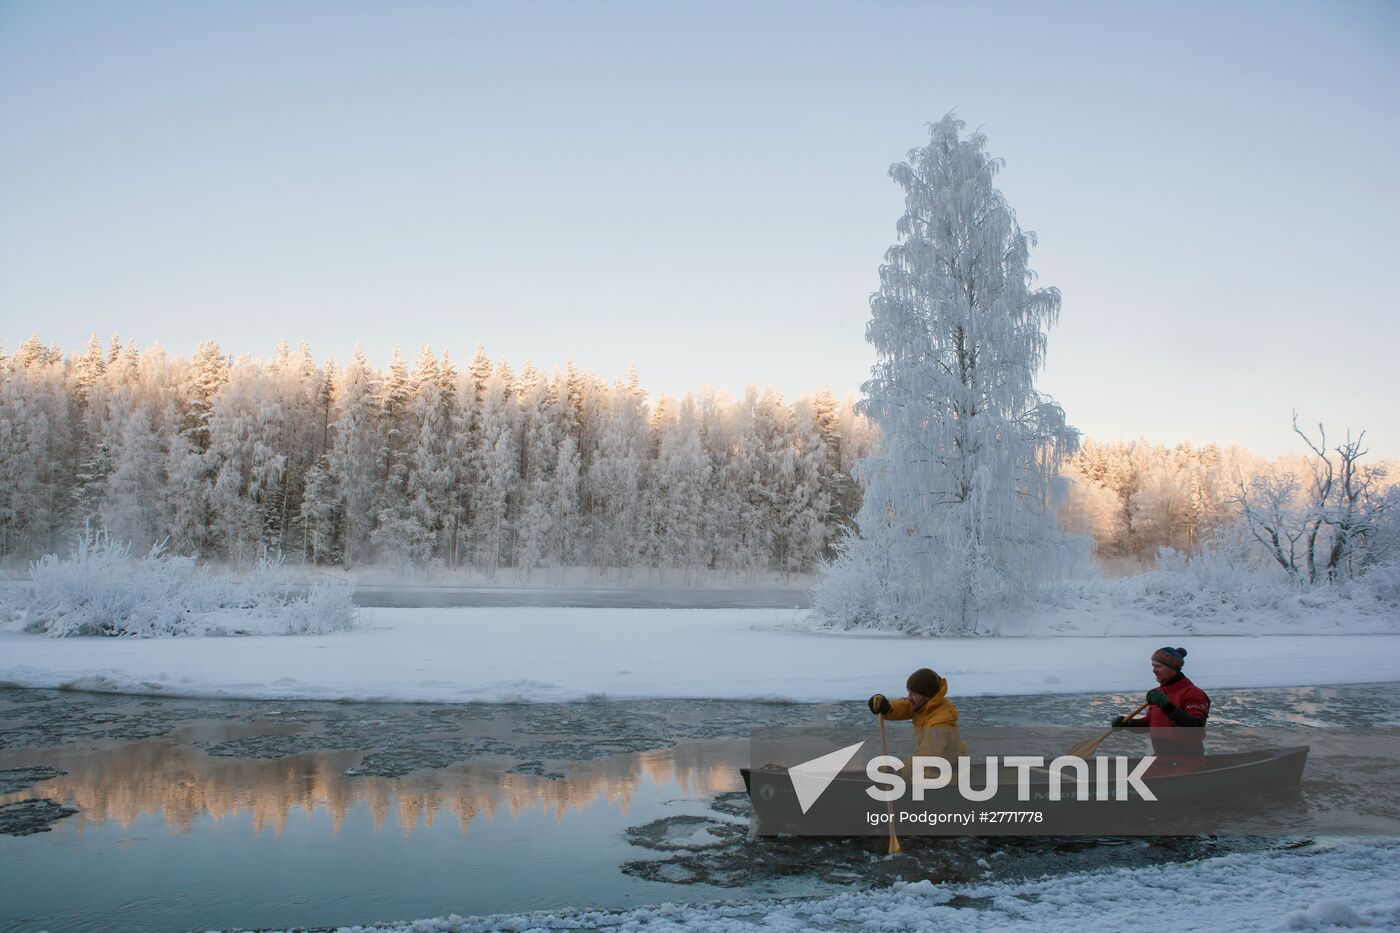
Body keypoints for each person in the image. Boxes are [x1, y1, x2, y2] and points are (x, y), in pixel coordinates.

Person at [1112, 646, 1210, 772]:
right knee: (1134, 779)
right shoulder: (1158, 693)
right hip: (1160, 760)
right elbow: (1149, 723)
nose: (1154, 670)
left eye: (1158, 666)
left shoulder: (1192, 693)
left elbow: (1195, 726)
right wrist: (1128, 723)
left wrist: (1165, 705)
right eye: (1153, 666)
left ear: (1172, 668)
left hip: (1187, 762)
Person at [867, 667, 967, 762]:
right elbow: (905, 707)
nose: (909, 698)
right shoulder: (923, 705)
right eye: (909, 692)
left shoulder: (942, 719)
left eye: (913, 694)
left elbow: (928, 755)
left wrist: (899, 771)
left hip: (948, 773)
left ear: (927, 696)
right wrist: (886, 707)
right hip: (930, 768)